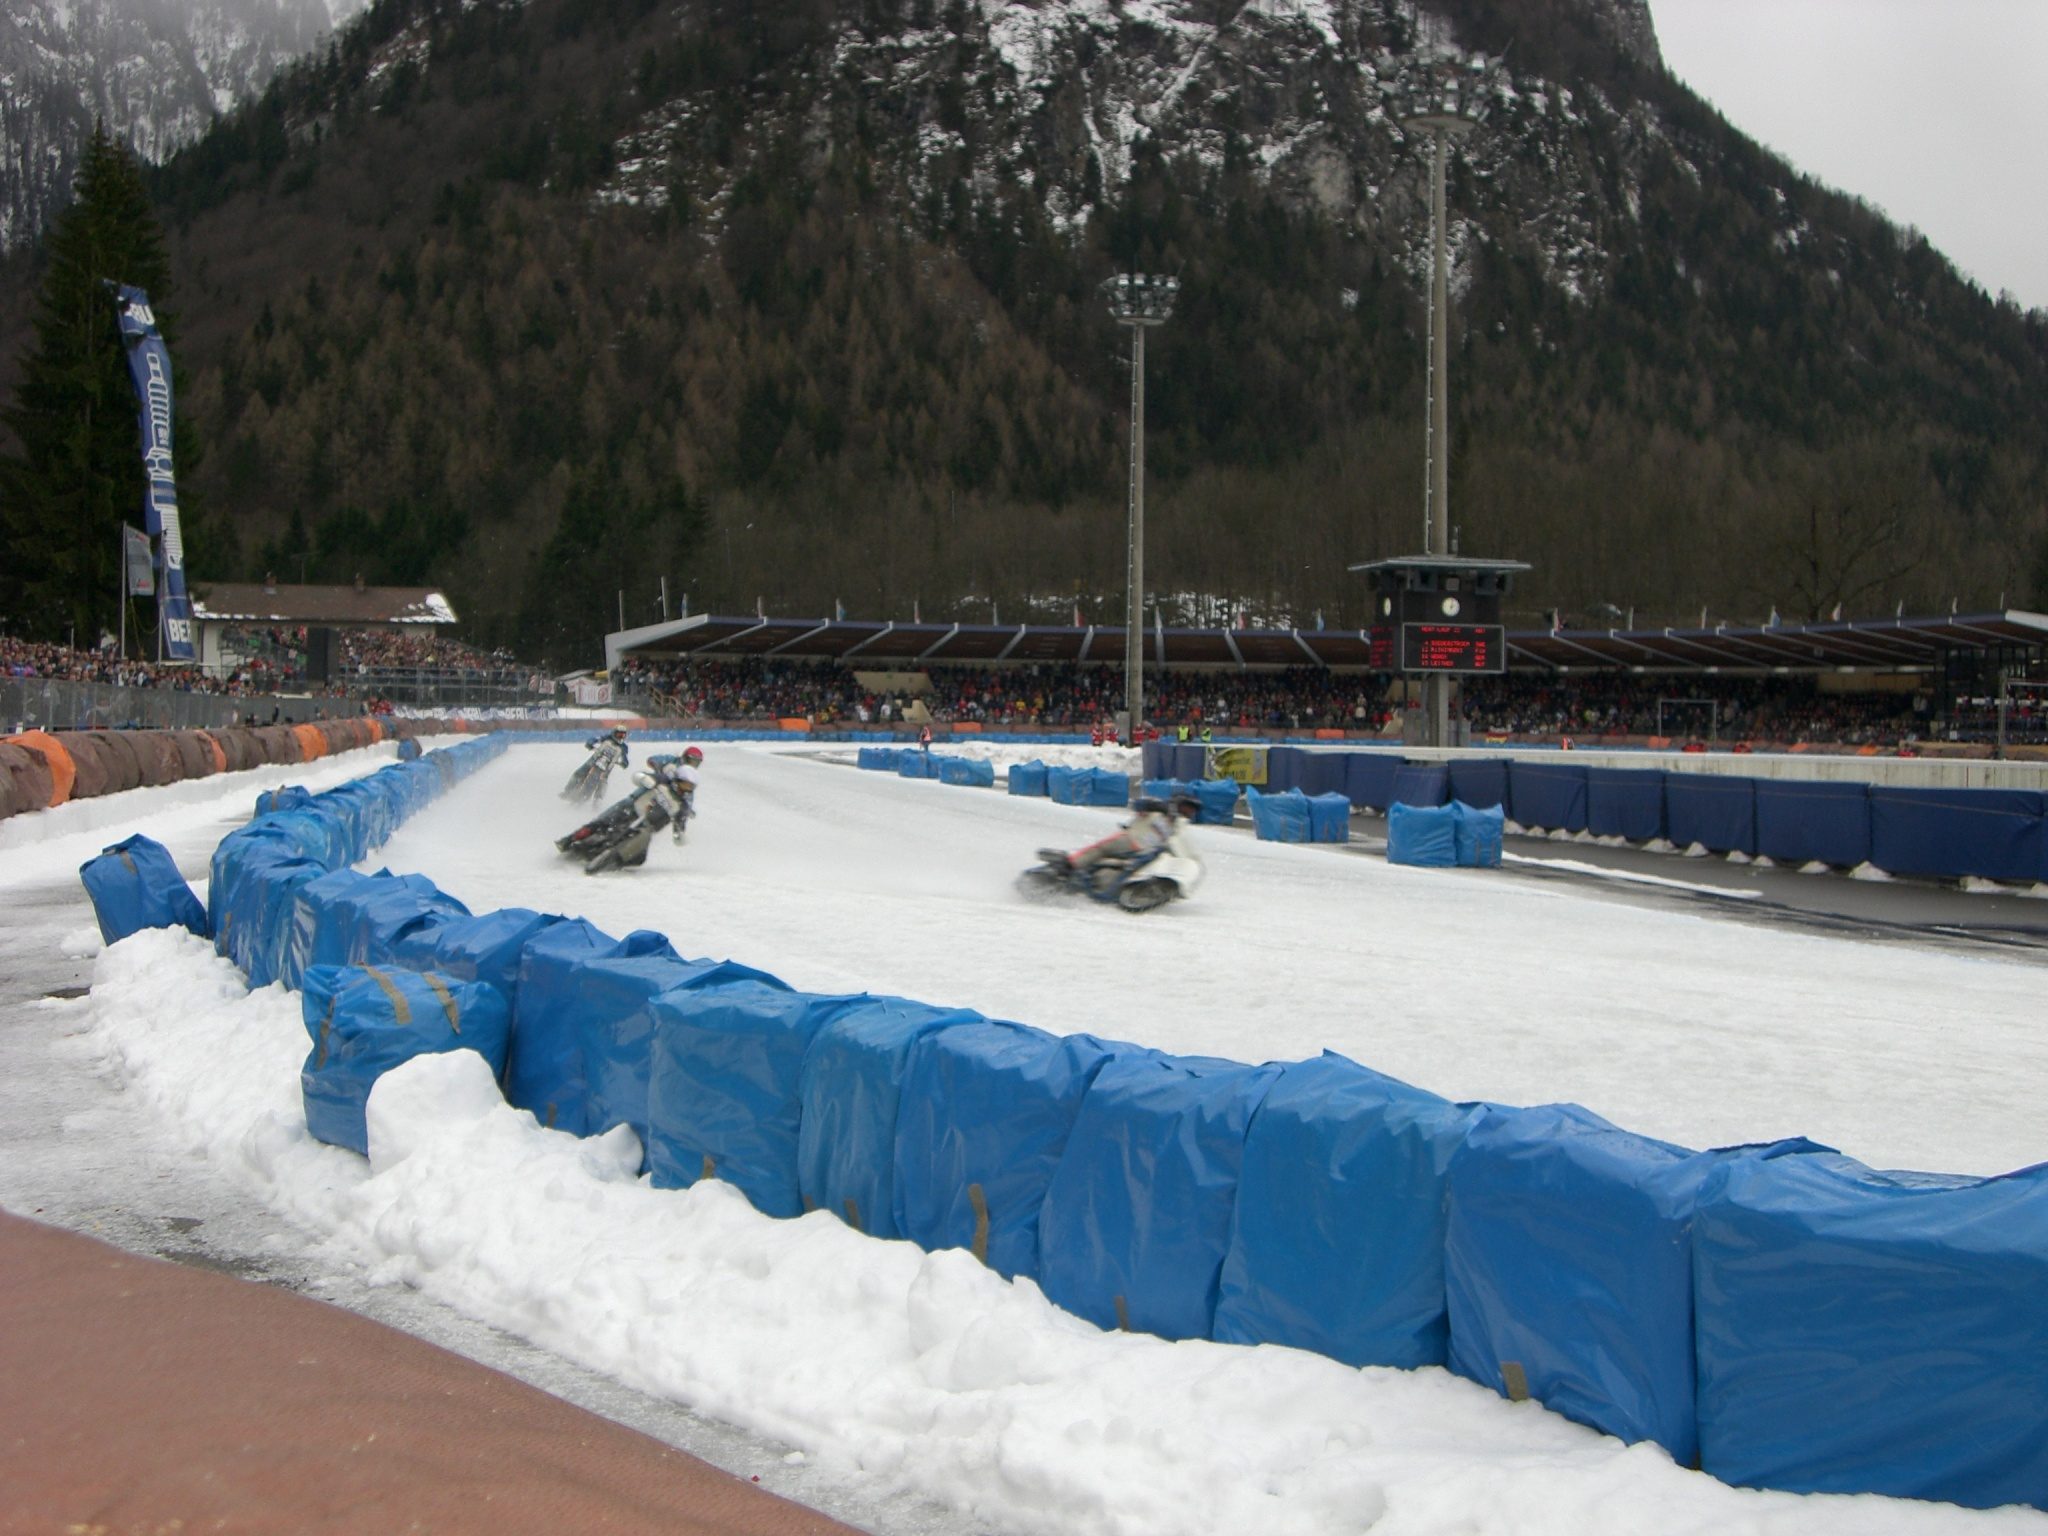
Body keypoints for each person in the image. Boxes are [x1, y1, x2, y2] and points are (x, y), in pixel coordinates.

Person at [1060, 794, 1201, 876]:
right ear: (1180, 804)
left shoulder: (1177, 826)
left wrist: (1187, 859)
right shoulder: (1162, 808)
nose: (1190, 812)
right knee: (1102, 848)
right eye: (1189, 808)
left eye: (1193, 811)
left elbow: (1177, 843)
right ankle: (1070, 865)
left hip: (1144, 852)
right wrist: (1150, 807)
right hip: (1130, 840)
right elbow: (1139, 803)